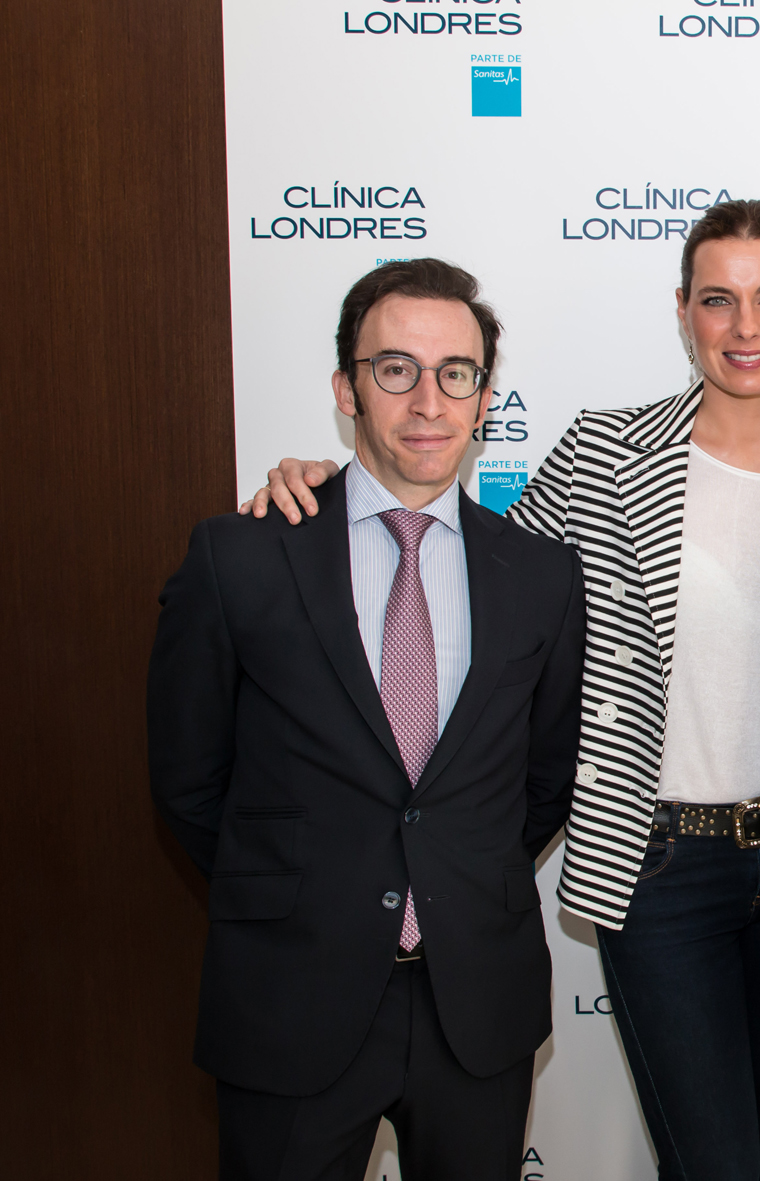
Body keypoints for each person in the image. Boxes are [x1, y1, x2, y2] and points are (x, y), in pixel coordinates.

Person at [241, 201, 760, 1181]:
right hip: (661, 872)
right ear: (682, 311)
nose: (745, 327)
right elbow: (473, 576)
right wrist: (337, 486)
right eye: (717, 300)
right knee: (713, 1163)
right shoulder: (601, 454)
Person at [147, 258, 586, 1180]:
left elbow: (543, 782)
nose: (427, 399)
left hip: (478, 1003)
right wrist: (299, 892)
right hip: (289, 995)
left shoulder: (542, 574)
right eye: (395, 369)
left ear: (483, 398)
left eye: (454, 373)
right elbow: (189, 780)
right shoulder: (243, 557)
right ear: (347, 388)